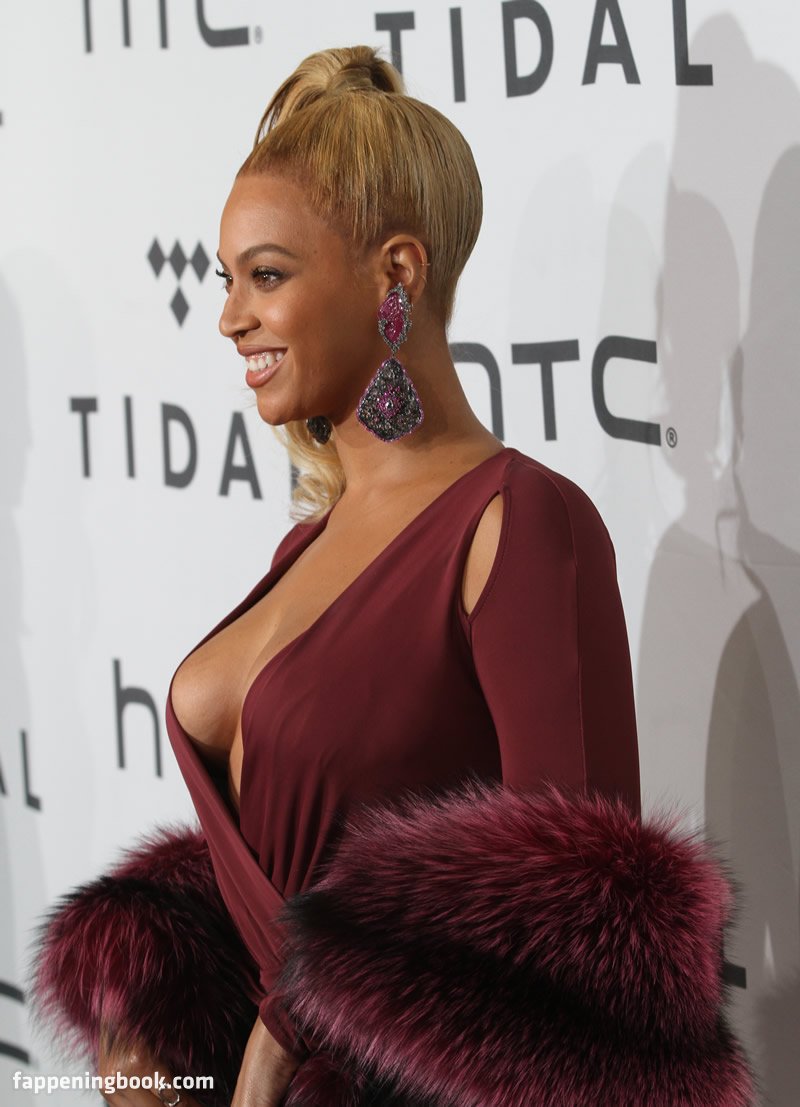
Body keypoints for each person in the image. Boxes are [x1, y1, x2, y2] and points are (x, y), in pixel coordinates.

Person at [31, 44, 752, 1107]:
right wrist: (152, 999)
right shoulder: (304, 551)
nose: (229, 316)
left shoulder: (520, 522)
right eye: (227, 278)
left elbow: (588, 937)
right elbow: (282, 861)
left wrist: (294, 1020)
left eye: (266, 275)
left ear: (395, 276)